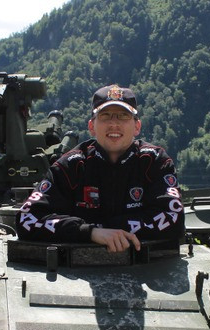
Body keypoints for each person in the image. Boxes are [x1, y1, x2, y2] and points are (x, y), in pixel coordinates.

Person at [17, 84, 184, 252]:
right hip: (79, 270)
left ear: (137, 126)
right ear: (91, 126)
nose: (114, 124)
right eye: (105, 116)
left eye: (123, 116)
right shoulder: (70, 166)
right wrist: (90, 232)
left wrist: (110, 229)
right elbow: (26, 219)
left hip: (147, 269)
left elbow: (174, 218)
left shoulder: (154, 162)